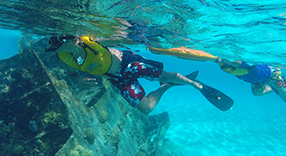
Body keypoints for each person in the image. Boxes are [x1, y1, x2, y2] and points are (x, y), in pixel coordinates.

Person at [45, 35, 233, 113]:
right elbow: (73, 75)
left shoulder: (88, 39)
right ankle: (166, 88)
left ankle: (195, 84)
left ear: (70, 39)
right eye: (54, 46)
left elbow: (119, 37)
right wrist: (79, 82)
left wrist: (145, 37)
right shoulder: (64, 57)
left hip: (129, 64)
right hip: (117, 78)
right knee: (146, 108)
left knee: (165, 74)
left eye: (58, 43)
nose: (56, 48)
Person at [216, 58, 286, 102]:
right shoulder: (230, 67)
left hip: (272, 75)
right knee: (257, 93)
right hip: (258, 80)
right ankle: (275, 87)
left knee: (283, 95)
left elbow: (241, 63)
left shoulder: (248, 66)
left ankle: (280, 85)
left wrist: (229, 61)